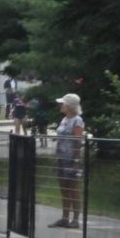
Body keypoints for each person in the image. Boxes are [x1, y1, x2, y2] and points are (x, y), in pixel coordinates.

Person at [49, 93, 85, 229]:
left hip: (71, 159)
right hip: (61, 159)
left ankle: (75, 219)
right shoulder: (64, 119)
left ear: (70, 106)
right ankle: (64, 217)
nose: (60, 105)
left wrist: (76, 160)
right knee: (64, 189)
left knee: (73, 189)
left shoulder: (77, 120)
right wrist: (56, 158)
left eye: (63, 103)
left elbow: (78, 141)